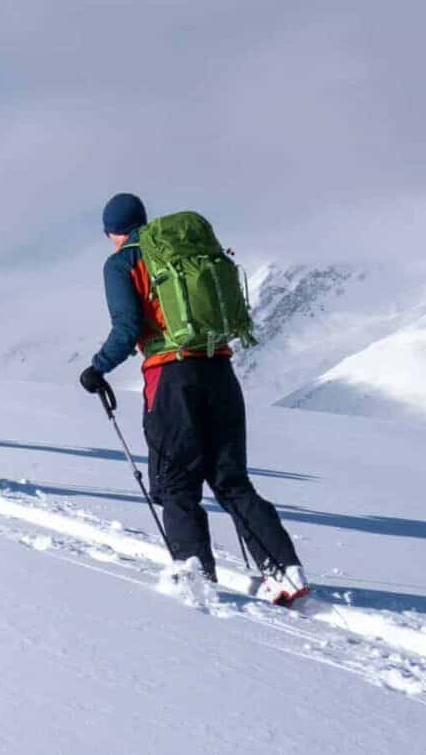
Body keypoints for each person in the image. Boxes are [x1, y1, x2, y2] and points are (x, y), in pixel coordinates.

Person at [78, 193, 310, 605]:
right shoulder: (180, 255)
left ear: (111, 231)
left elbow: (127, 327)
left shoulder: (122, 263)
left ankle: (196, 577)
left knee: (176, 484)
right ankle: (285, 568)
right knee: (231, 480)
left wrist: (97, 368)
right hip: (219, 370)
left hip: (171, 379)